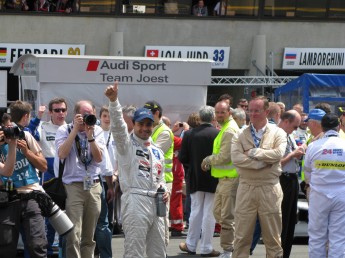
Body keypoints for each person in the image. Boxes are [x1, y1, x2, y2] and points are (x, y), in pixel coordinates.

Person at [105, 82, 169, 258]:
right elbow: (118, 126)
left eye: (149, 124)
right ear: (134, 124)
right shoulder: (126, 145)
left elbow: (161, 177)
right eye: (141, 124)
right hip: (135, 201)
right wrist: (114, 101)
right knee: (135, 251)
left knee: (159, 252)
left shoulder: (157, 151)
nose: (145, 128)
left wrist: (164, 191)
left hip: (157, 204)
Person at [231, 96, 287, 258]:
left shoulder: (278, 133)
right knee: (241, 238)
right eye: (250, 110)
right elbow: (236, 158)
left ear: (267, 112)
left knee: (273, 239)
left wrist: (254, 153)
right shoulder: (240, 134)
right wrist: (262, 162)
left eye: (257, 110)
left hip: (269, 189)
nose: (252, 114)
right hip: (246, 188)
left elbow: (278, 154)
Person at [55, 100, 104, 258]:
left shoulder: (97, 131)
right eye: (83, 114)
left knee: (89, 236)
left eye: (90, 114)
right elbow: (62, 154)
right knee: (73, 234)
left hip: (93, 185)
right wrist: (75, 130)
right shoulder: (65, 129)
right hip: (73, 186)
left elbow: (99, 158)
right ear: (76, 115)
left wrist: (90, 137)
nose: (87, 117)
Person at [0, 100, 48, 258]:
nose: (9, 131)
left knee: (37, 245)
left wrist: (27, 152)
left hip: (31, 196)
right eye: (5, 128)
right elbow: (6, 171)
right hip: (7, 199)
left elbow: (43, 166)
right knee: (6, 247)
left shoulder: (25, 136)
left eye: (11, 127)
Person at [26, 98, 67, 256]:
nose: (60, 113)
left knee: (66, 219)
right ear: (50, 112)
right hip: (48, 179)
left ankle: (64, 252)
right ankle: (48, 252)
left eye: (63, 110)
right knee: (48, 219)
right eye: (57, 110)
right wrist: (37, 117)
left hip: (66, 178)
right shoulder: (43, 126)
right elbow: (27, 134)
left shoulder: (71, 128)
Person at [178, 105, 220, 257]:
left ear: (200, 117)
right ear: (213, 117)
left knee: (195, 211)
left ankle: (190, 244)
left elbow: (182, 157)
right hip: (214, 177)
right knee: (209, 213)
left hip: (195, 177)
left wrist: (192, 167)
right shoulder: (218, 134)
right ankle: (206, 247)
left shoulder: (189, 134)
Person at [201, 100, 239, 258]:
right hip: (223, 180)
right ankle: (231, 247)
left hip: (229, 180)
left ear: (229, 112)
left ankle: (228, 250)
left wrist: (208, 160)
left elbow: (225, 157)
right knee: (219, 214)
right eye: (217, 112)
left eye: (222, 112)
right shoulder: (225, 128)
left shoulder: (229, 130)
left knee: (226, 217)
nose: (218, 115)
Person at [304, 113, 345, 258]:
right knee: (339, 237)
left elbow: (307, 173)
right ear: (339, 126)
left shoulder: (313, 146)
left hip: (319, 194)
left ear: (322, 127)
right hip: (341, 194)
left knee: (316, 236)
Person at [144, 100, 174, 246]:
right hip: (151, 180)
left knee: (162, 216)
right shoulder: (153, 128)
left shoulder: (165, 132)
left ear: (156, 113)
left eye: (149, 114)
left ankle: (163, 249)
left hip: (164, 182)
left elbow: (152, 154)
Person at [278, 110, 304, 258]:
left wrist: (297, 152)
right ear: (286, 121)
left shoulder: (288, 135)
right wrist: (293, 154)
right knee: (282, 221)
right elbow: (276, 163)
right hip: (283, 179)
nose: (296, 130)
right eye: (295, 127)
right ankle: (279, 253)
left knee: (290, 221)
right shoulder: (276, 136)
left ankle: (284, 253)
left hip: (292, 178)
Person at [94, 105, 117, 258]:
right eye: (104, 116)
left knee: (107, 217)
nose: (107, 118)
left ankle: (104, 249)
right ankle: (96, 247)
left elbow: (121, 158)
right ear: (100, 117)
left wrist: (116, 173)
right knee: (95, 216)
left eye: (110, 115)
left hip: (112, 178)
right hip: (98, 178)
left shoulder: (118, 134)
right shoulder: (95, 133)